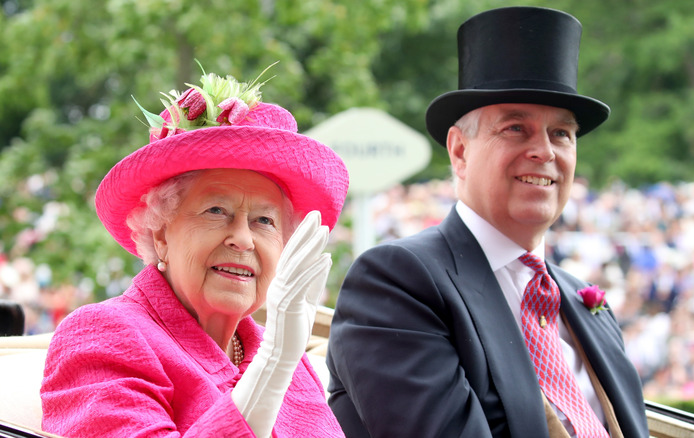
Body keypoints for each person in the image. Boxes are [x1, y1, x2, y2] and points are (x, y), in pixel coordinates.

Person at [327, 7, 649, 438]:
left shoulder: (583, 301)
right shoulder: (397, 282)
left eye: (561, 134)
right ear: (459, 152)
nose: (544, 151)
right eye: (516, 128)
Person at [40, 67, 348, 437]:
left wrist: (279, 358)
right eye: (217, 211)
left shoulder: (285, 353)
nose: (243, 239)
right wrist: (271, 367)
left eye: (264, 221)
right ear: (160, 233)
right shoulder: (101, 336)